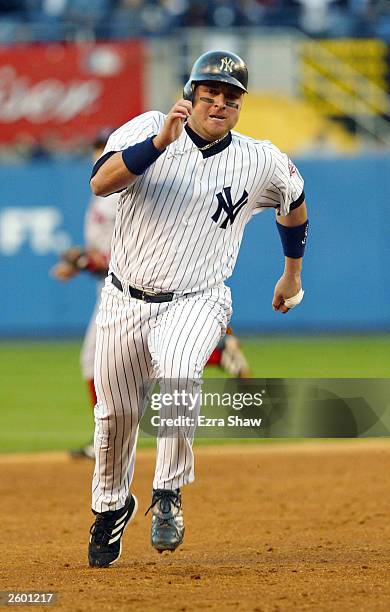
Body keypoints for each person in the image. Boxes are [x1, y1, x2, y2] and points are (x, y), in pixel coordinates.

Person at [87, 50, 308, 568]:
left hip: (198, 298)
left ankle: (168, 493)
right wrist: (159, 143)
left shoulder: (260, 159)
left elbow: (294, 200)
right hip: (124, 297)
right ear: (190, 95)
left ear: (239, 106)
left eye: (231, 97)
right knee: (115, 415)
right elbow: (101, 182)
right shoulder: (146, 127)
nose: (220, 103)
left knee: (181, 371)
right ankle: (111, 507)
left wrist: (292, 273)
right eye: (210, 94)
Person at [51, 128, 117, 460]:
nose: (98, 151)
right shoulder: (100, 190)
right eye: (96, 145)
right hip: (106, 286)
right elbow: (97, 251)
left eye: (104, 146)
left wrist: (84, 260)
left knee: (98, 360)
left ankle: (104, 441)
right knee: (131, 362)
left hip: (122, 288)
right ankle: (218, 352)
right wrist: (78, 263)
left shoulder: (121, 190)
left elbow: (126, 250)